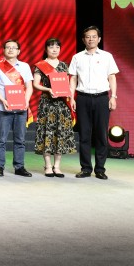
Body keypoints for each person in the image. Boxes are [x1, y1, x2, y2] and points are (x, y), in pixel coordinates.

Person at [68, 26, 119, 180]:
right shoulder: (77, 57)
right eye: (88, 37)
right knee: (84, 134)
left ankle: (100, 169)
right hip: (82, 98)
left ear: (99, 39)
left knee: (101, 134)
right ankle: (85, 168)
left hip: (102, 98)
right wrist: (71, 98)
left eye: (94, 36)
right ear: (83, 40)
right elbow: (73, 78)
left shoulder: (107, 56)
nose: (91, 39)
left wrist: (113, 96)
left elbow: (112, 77)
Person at [32, 38, 77, 177]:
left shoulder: (64, 65)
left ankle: (57, 166)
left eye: (57, 47)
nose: (54, 49)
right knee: (47, 133)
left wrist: (72, 98)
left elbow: (69, 85)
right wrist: (48, 89)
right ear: (46, 49)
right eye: (51, 47)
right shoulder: (41, 65)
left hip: (62, 104)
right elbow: (35, 84)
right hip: (47, 104)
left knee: (60, 133)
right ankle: (47, 166)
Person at [0, 39, 34, 177]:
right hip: (3, 109)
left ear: (18, 51)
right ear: (3, 50)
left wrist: (26, 101)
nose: (10, 50)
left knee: (20, 139)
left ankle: (19, 167)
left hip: (21, 109)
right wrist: (3, 100)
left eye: (13, 47)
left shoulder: (25, 66)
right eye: (8, 47)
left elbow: (29, 87)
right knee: (1, 140)